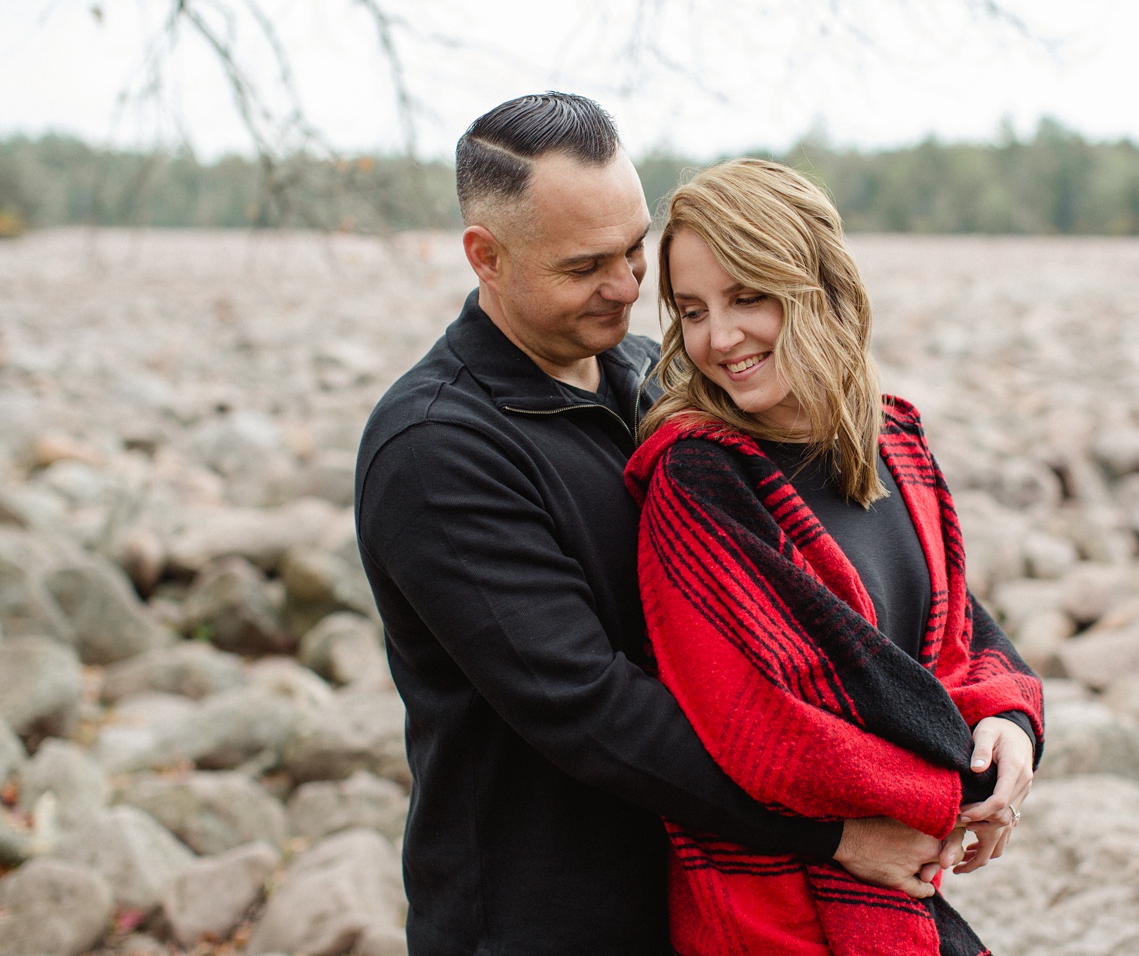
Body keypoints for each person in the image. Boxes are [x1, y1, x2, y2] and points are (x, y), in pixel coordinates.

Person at [355, 93, 997, 956]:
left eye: (633, 250)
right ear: (488, 257)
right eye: (586, 267)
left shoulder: (654, 381)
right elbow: (592, 708)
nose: (627, 289)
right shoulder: (437, 450)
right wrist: (837, 834)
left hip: (713, 895)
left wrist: (1009, 715)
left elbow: (860, 576)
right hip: (544, 919)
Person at [623, 158, 1045, 955]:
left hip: (897, 893)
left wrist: (1013, 724)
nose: (718, 337)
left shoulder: (894, 443)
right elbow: (782, 734)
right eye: (692, 309)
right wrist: (970, 787)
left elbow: (956, 629)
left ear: (819, 284)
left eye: (748, 296)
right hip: (773, 915)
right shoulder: (699, 480)